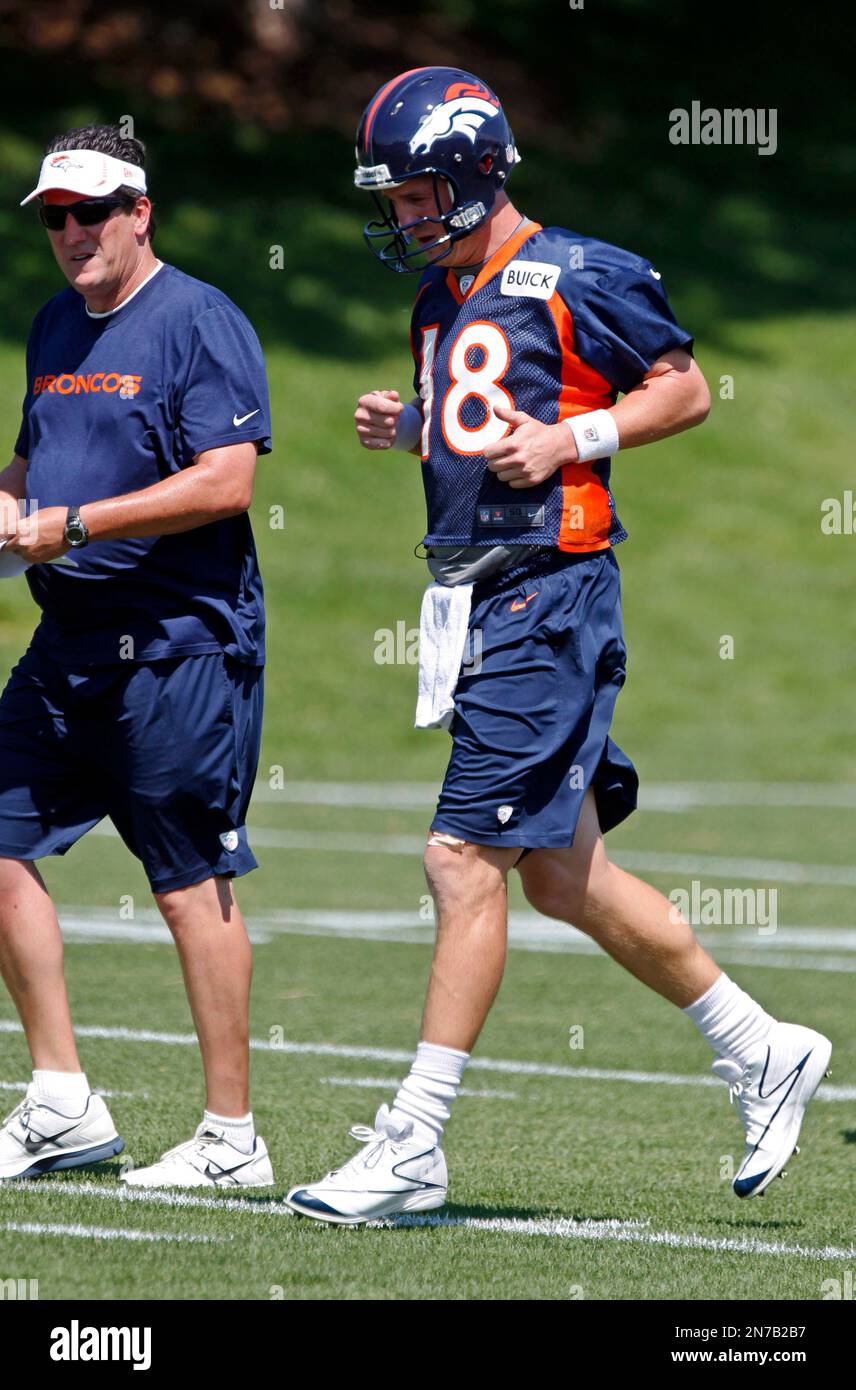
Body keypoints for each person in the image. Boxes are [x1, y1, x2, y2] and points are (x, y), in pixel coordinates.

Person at [285, 68, 831, 1224]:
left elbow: (681, 390)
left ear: (477, 171)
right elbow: (486, 425)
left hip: (550, 593)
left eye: (416, 192)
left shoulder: (578, 269)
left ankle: (414, 1142)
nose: (401, 216)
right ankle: (761, 1047)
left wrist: (579, 434)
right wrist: (414, 428)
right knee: (562, 874)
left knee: (459, 860)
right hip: (482, 604)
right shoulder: (442, 298)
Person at [0, 125, 274, 1189]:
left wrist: (72, 525)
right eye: (53, 217)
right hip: (65, 647)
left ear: (139, 212)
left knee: (187, 882)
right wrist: (15, 504)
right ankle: (62, 1098)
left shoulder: (199, 318)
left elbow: (224, 482)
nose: (70, 233)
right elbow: (33, 460)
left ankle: (230, 1137)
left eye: (90, 212)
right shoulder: (54, 324)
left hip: (179, 646)